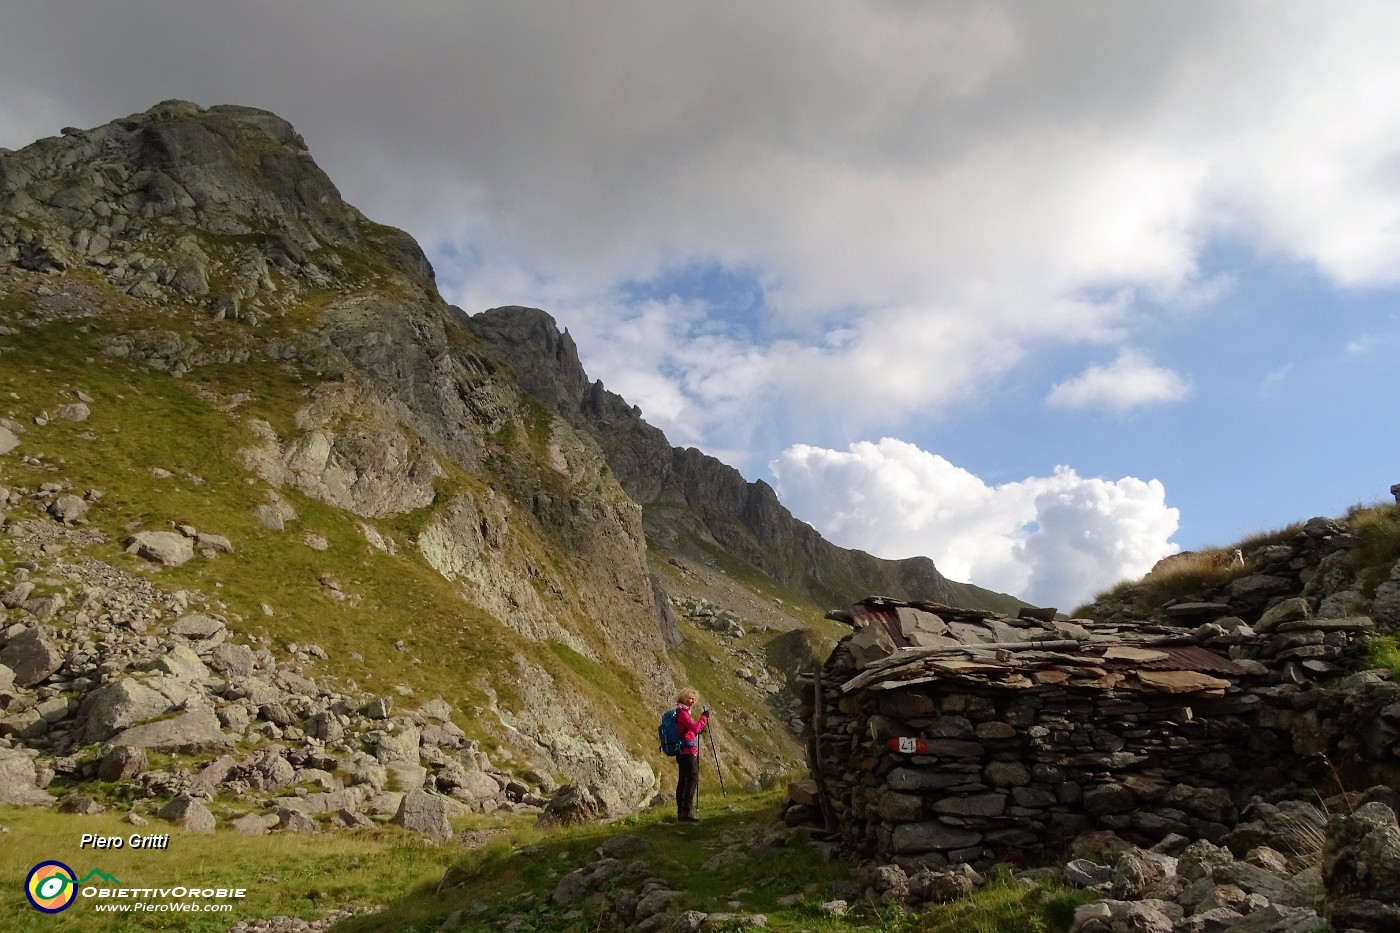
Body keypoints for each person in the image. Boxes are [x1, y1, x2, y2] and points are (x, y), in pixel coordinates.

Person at [673, 687, 709, 822]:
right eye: (690, 698)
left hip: (681, 751)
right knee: (692, 779)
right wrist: (704, 718)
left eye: (694, 699)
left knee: (683, 780)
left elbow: (689, 729)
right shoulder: (683, 713)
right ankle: (687, 811)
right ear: (683, 698)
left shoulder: (680, 711)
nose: (692, 701)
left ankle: (681, 812)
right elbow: (694, 727)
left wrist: (696, 730)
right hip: (688, 751)